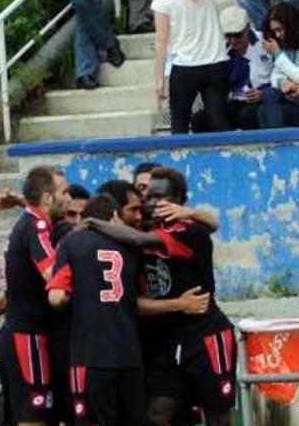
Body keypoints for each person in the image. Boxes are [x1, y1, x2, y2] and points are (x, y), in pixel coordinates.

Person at [87, 167, 235, 426]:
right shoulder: (148, 225)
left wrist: (91, 223)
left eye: (160, 197)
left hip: (205, 334)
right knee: (158, 410)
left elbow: (142, 239)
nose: (152, 203)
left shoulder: (189, 231)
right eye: (149, 197)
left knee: (217, 415)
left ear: (178, 200)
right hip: (171, 337)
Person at [47, 194, 147, 426]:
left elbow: (56, 297)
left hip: (90, 355)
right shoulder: (130, 245)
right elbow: (142, 295)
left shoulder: (72, 243)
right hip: (129, 354)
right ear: (114, 216)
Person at [0, 166, 72, 426]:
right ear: (48, 198)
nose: (69, 198)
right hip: (26, 337)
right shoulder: (37, 226)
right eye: (64, 192)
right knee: (33, 418)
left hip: (22, 333)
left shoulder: (31, 222)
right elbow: (51, 273)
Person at [150, 0, 230, 134]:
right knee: (219, 120)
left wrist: (160, 79)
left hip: (186, 65)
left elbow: (161, 41)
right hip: (216, 63)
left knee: (179, 124)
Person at [192, 6, 275, 131]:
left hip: (261, 99)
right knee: (200, 119)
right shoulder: (221, 47)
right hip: (235, 100)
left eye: (237, 35)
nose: (233, 40)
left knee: (246, 116)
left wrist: (264, 94)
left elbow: (280, 76)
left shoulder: (266, 44)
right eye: (228, 35)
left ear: (247, 28)